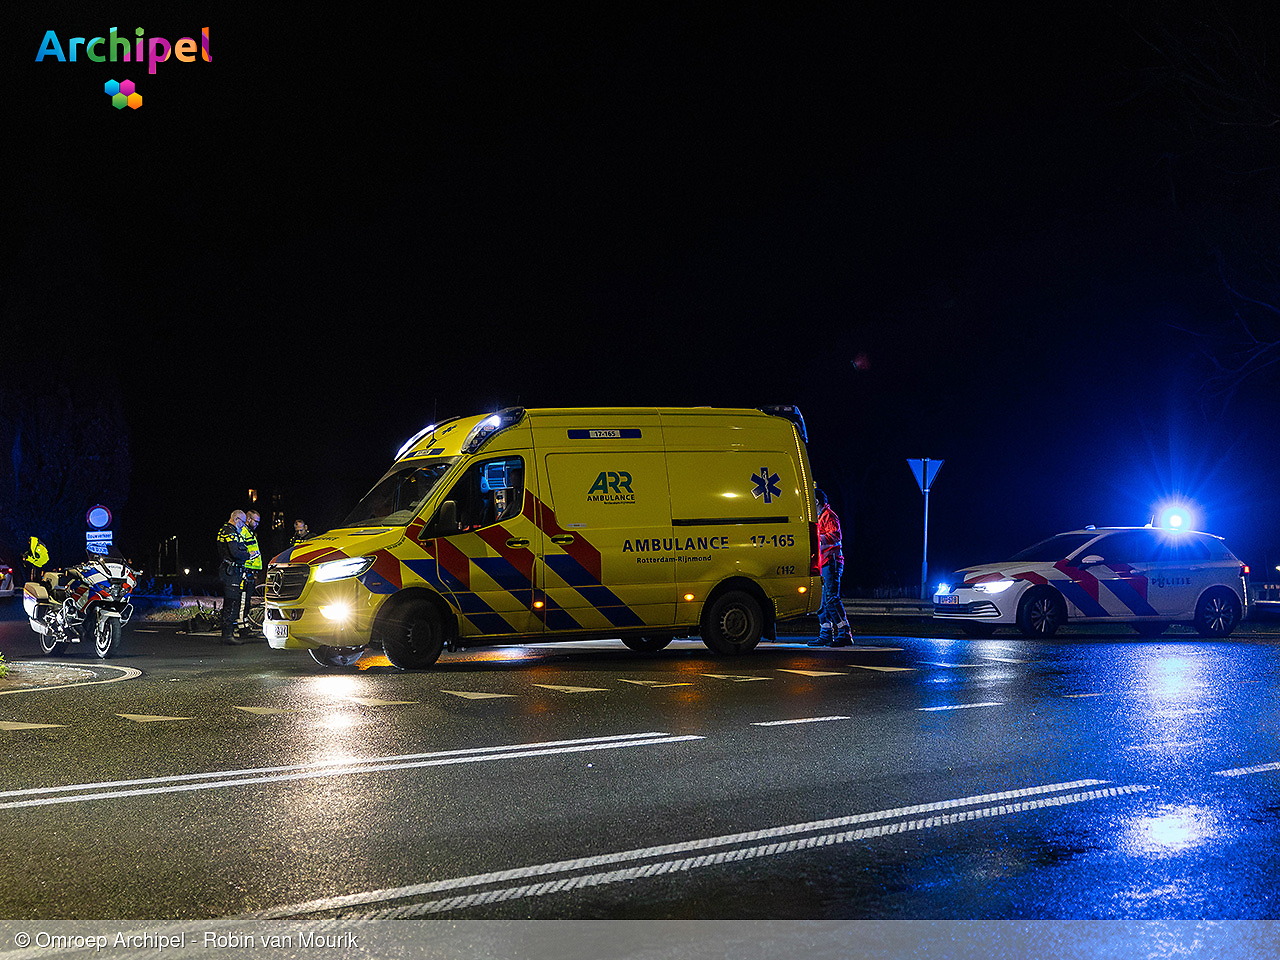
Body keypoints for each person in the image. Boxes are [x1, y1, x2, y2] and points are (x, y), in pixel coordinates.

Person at [809, 488, 853, 647]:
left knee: (831, 598)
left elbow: (835, 536)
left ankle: (844, 632)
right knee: (821, 601)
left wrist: (815, 539)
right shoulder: (819, 517)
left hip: (831, 562)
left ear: (816, 502)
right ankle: (826, 633)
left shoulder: (829, 516)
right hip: (823, 563)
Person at [216, 509, 250, 644]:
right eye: (242, 522)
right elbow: (236, 552)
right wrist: (248, 554)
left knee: (231, 601)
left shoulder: (224, 530)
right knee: (231, 602)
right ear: (236, 519)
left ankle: (228, 633)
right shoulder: (230, 532)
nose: (243, 525)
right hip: (231, 571)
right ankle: (227, 635)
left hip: (229, 570)